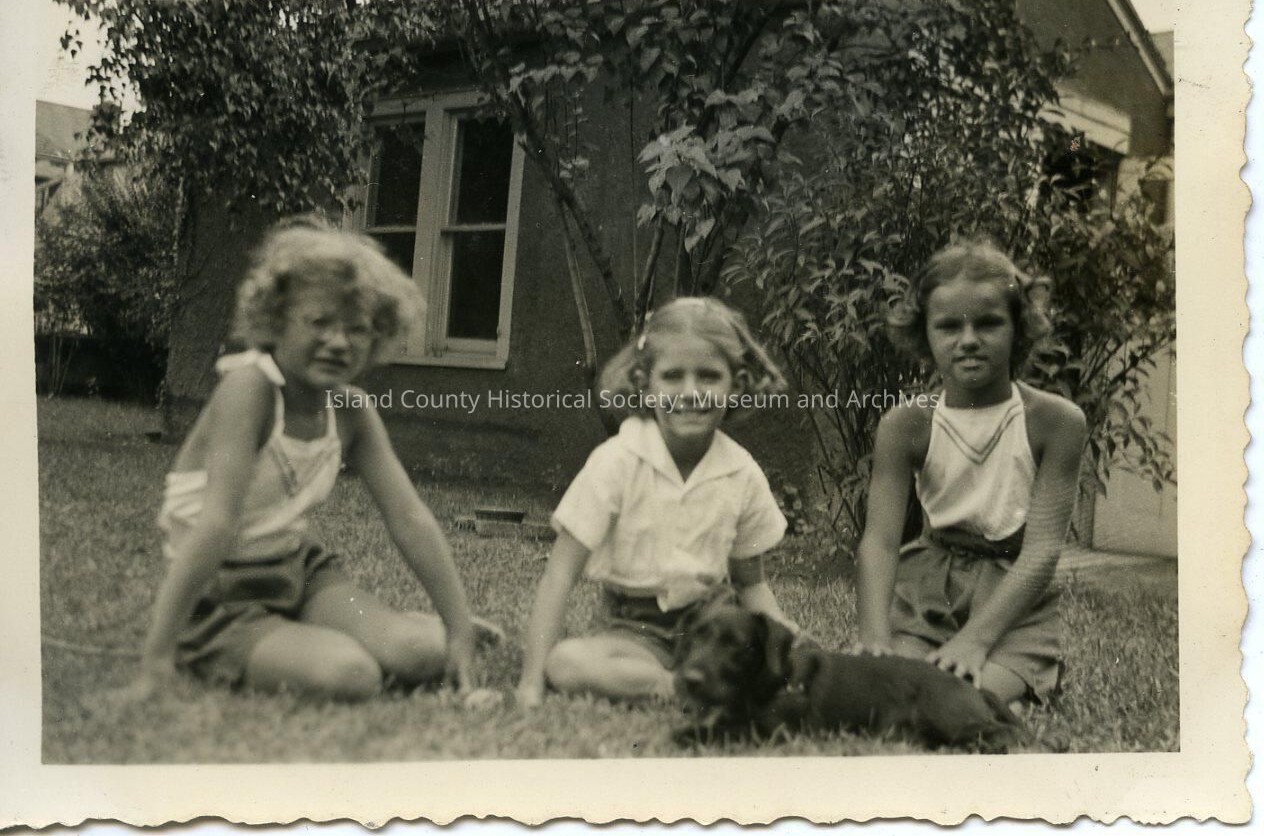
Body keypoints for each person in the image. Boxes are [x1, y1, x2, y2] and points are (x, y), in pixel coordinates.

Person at [133, 216, 492, 701]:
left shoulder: (351, 410)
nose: (338, 342)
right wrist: (156, 659)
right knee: (350, 675)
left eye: (357, 329)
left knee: (425, 654)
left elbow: (410, 519)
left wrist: (458, 630)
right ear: (276, 321)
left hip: (298, 574)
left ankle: (398, 629)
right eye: (319, 322)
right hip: (220, 593)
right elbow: (216, 524)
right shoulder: (250, 389)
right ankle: (281, 644)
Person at [515, 297, 800, 708]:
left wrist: (786, 646)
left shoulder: (741, 472)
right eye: (672, 376)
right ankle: (672, 685)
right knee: (567, 664)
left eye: (709, 376)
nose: (691, 393)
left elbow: (751, 583)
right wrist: (530, 682)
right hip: (631, 630)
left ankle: (705, 677)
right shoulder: (617, 461)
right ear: (645, 383)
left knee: (789, 663)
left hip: (714, 626)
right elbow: (559, 575)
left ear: (736, 384)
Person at [854, 235, 1087, 705]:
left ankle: (1026, 670)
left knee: (962, 702)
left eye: (989, 323)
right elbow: (880, 542)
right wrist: (874, 640)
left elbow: (1041, 552)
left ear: (1018, 327)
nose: (968, 341)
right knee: (890, 693)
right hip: (927, 595)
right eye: (947, 326)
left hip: (1012, 604)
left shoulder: (1056, 422)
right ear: (924, 333)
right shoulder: (905, 425)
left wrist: (974, 642)